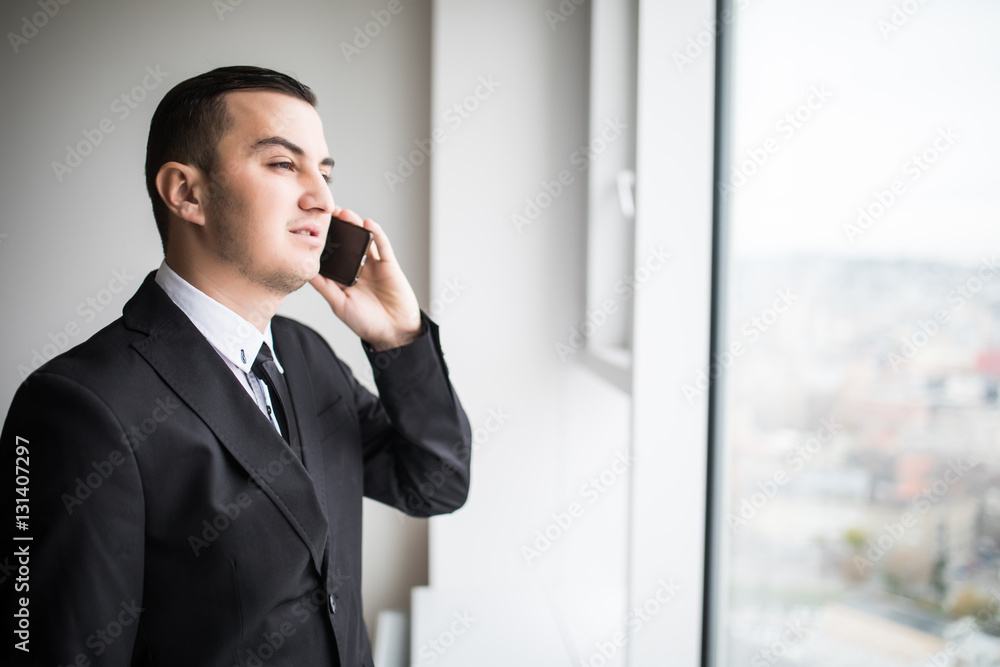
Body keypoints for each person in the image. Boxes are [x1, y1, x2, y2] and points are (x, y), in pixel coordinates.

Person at [2, 65, 471, 667]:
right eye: (283, 164)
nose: (322, 198)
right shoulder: (77, 407)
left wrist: (399, 338)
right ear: (186, 193)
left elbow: (435, 483)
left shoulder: (307, 355)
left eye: (324, 173)